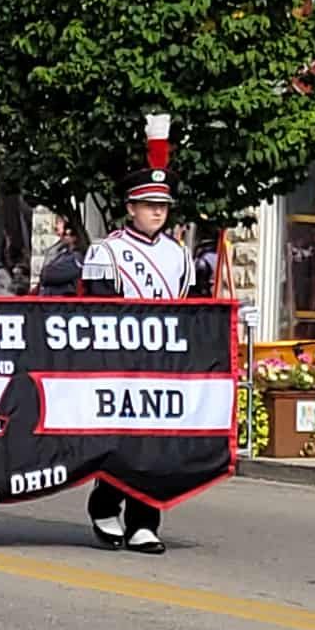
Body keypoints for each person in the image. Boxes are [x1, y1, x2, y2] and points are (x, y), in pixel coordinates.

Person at [80, 147, 194, 556]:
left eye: (162, 206)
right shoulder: (105, 252)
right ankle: (105, 505)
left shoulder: (180, 255)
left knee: (157, 444)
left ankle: (145, 521)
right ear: (131, 208)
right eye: (148, 205)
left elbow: (185, 311)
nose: (157, 213)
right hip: (120, 362)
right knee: (124, 442)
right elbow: (97, 310)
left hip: (161, 364)